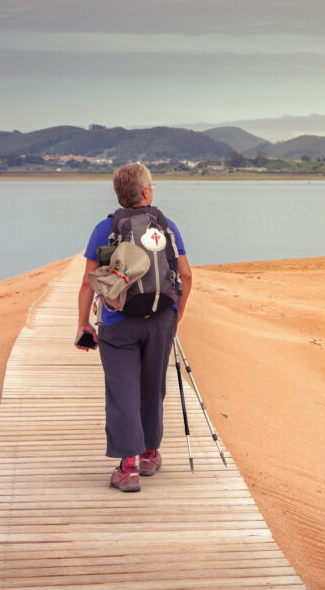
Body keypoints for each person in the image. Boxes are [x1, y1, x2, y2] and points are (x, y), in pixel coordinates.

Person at [75, 163, 192, 492]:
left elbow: (93, 282)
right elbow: (186, 276)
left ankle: (128, 469)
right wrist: (176, 316)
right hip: (161, 319)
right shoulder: (166, 227)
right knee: (153, 386)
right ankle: (150, 454)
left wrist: (83, 322)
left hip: (118, 322)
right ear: (146, 193)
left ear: (119, 194)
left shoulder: (107, 230)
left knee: (122, 390)